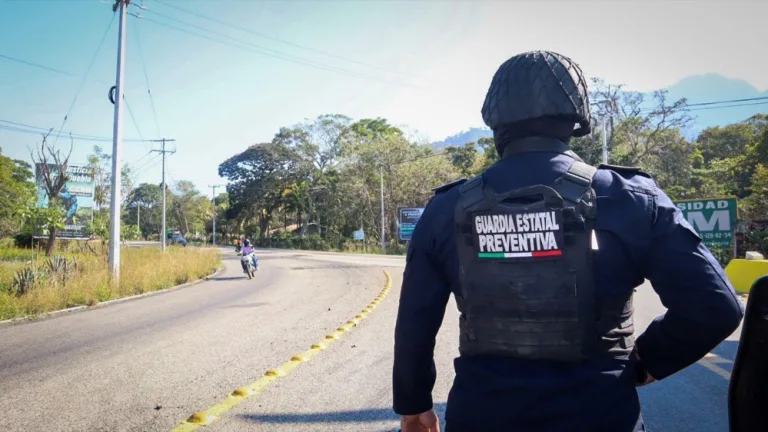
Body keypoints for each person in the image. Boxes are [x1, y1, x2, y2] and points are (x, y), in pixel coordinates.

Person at [392, 50, 745, 432]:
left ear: (495, 119)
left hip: (481, 416)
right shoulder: (631, 197)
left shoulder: (445, 208)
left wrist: (414, 405)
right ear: (576, 117)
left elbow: (414, 323)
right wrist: (647, 360)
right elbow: (716, 306)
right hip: (602, 417)